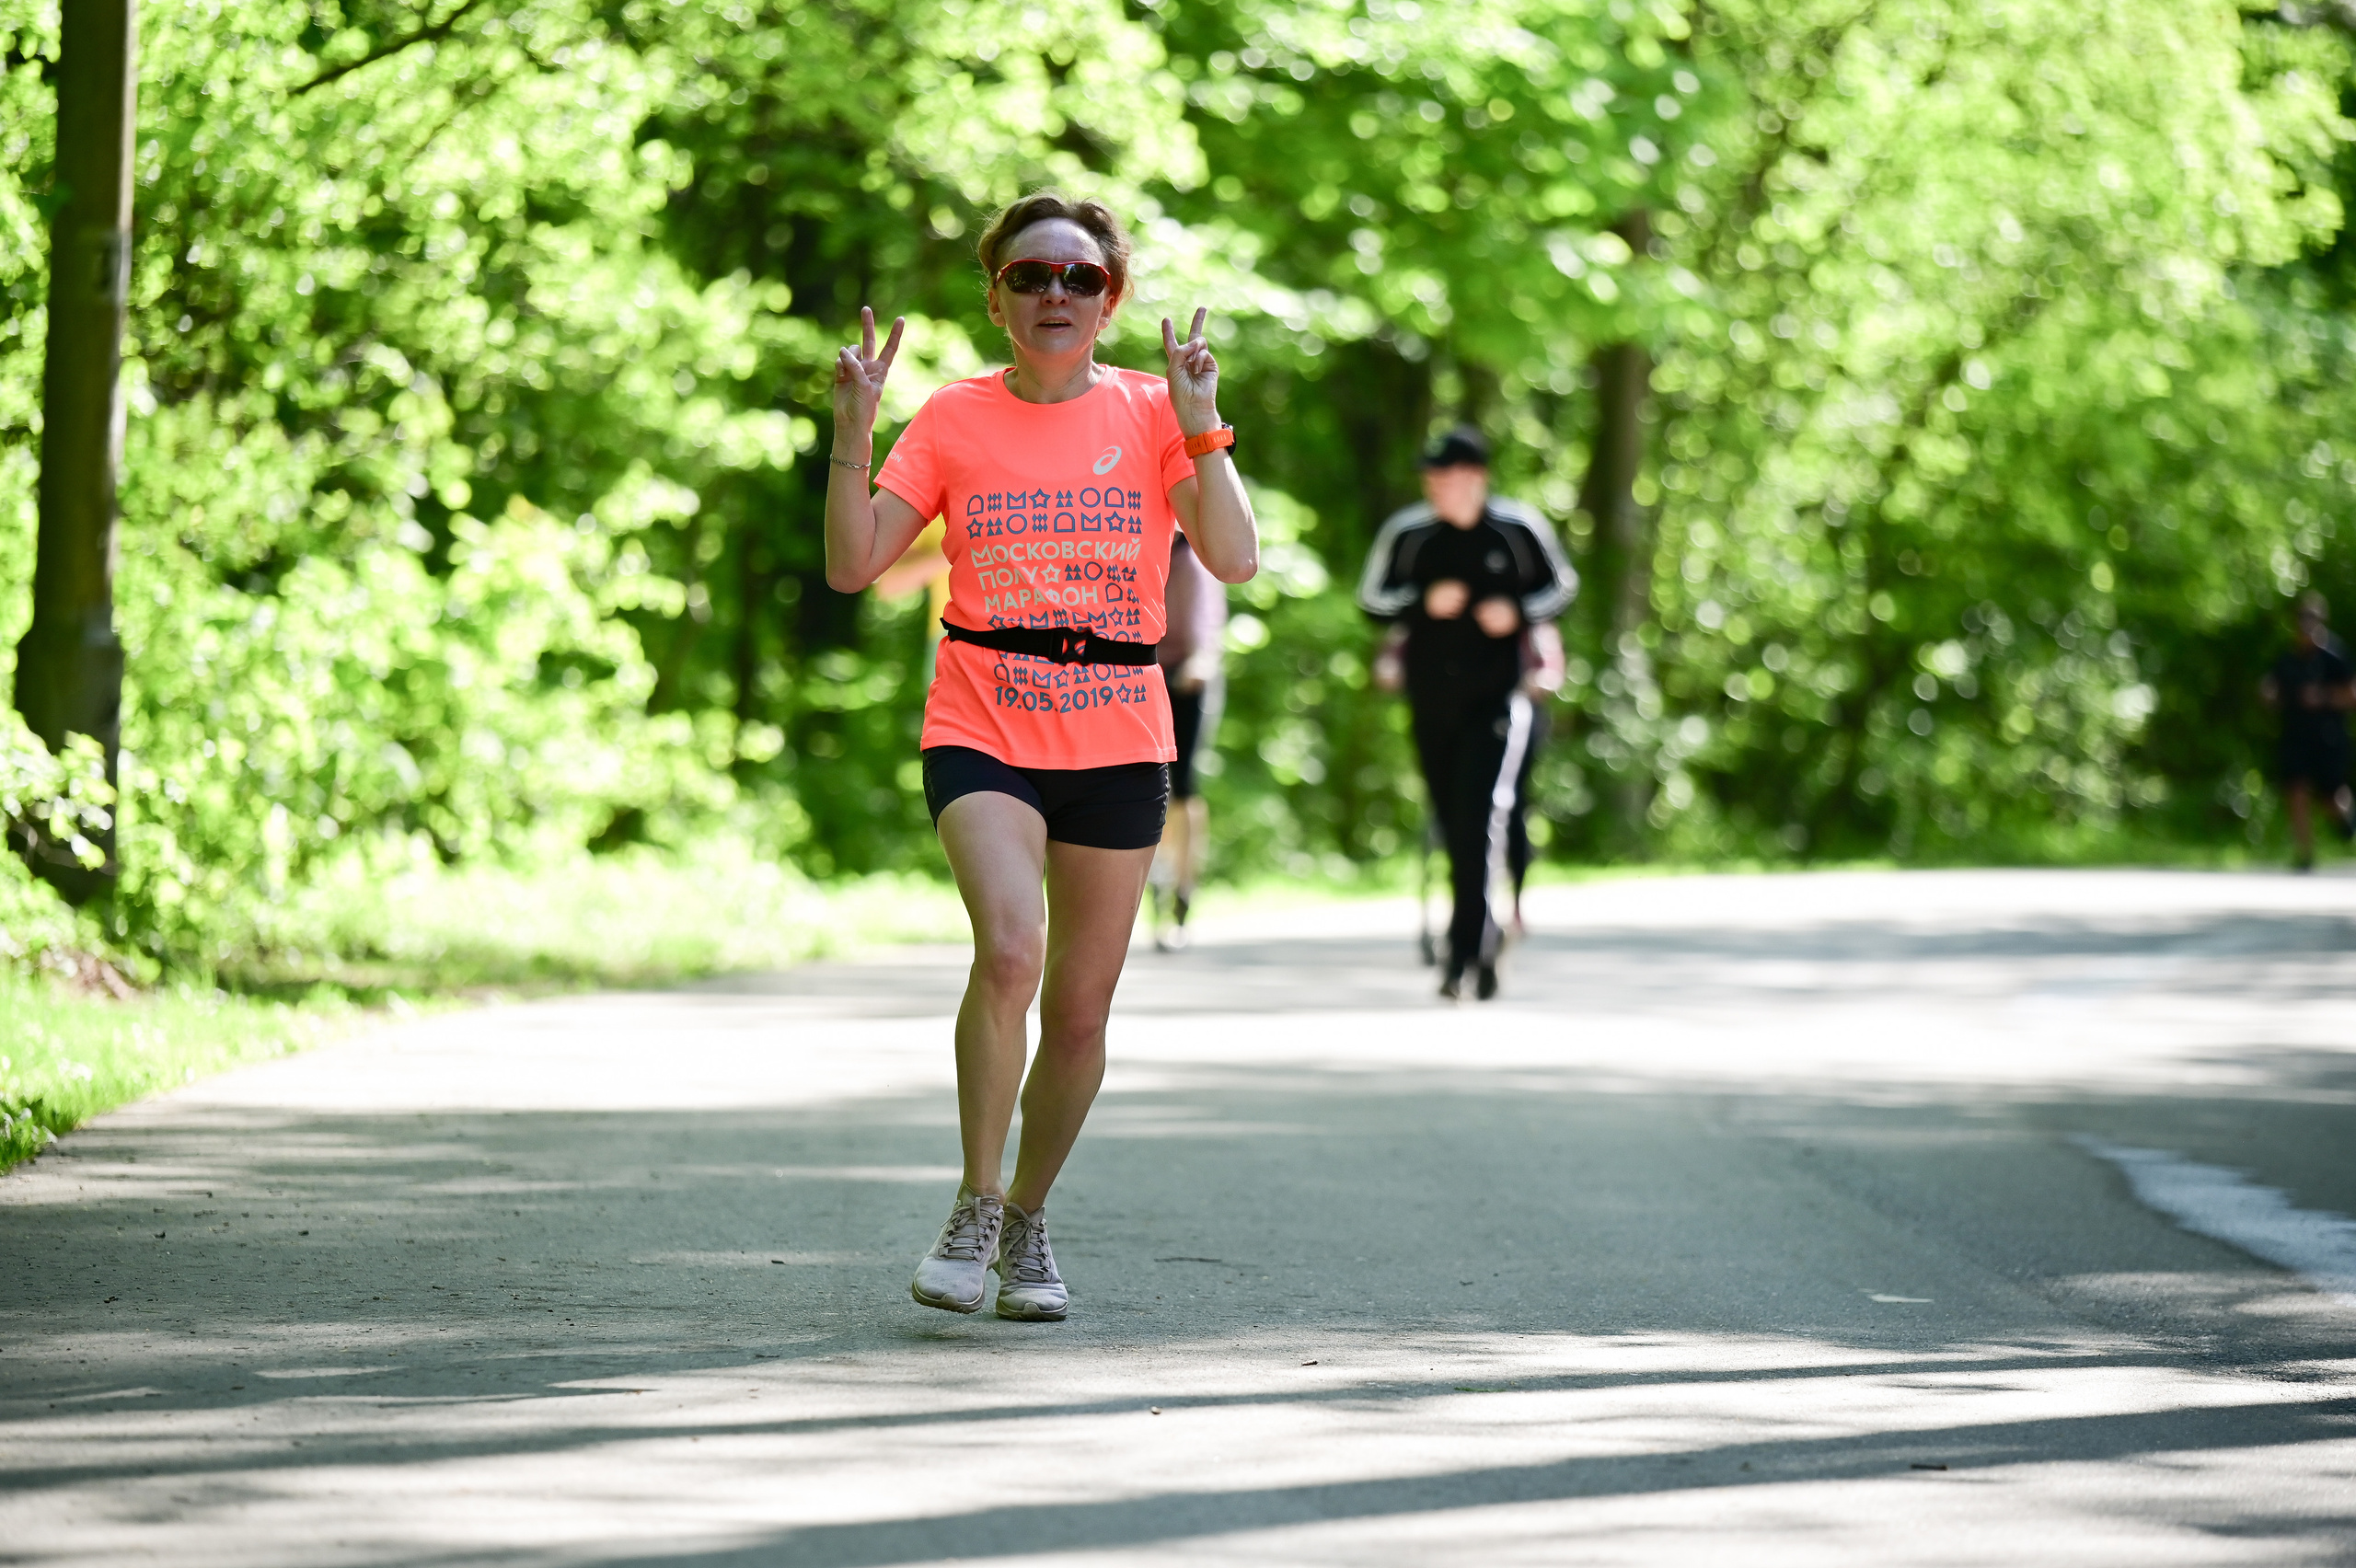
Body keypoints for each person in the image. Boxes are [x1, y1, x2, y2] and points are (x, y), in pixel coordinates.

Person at [824, 191, 1257, 1321]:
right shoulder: (954, 417)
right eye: (1030, 277)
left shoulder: (1155, 410)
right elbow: (854, 563)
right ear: (996, 295)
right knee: (1010, 951)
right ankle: (972, 1204)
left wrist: (1204, 422)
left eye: (1078, 279)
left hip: (1117, 725)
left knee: (1078, 1011)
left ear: (1109, 299)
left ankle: (1027, 1215)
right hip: (982, 714)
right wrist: (853, 434)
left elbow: (1233, 556)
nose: (1053, 295)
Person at [1358, 426, 1576, 1000]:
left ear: (1475, 478)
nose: (1435, 486)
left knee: (1479, 817)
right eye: (1429, 477)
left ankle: (1465, 956)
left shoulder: (1518, 528)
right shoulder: (1409, 534)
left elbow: (1560, 588)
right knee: (1452, 820)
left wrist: (1517, 612)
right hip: (1430, 698)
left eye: (1446, 476)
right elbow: (1372, 600)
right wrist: (1421, 602)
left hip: (1498, 699)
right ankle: (1477, 944)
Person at [1148, 533, 1226, 951]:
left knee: (1184, 785)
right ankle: (1150, 884)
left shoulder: (1192, 557)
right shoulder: (1133, 538)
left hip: (1186, 679)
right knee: (1145, 784)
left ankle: (1182, 891)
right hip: (1141, 674)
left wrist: (1199, 662)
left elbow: (1208, 627)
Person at [2259, 591, 2355, 870]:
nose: (2306, 623)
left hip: (2329, 737)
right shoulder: (2288, 657)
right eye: (2302, 617)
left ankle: (2348, 824)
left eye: (2311, 617)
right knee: (2296, 789)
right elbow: (2272, 686)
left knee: (2331, 796)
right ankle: (2305, 853)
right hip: (2295, 735)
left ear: (2321, 619)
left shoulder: (2335, 655)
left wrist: (2323, 697)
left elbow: (2352, 695)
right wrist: (2268, 693)